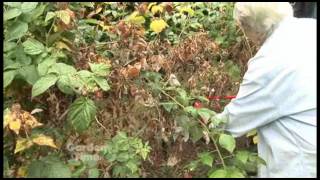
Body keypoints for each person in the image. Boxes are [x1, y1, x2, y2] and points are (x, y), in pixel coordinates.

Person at [210, 2, 316, 178]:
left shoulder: (268, 62)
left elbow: (233, 121)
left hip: (301, 162)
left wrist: (201, 120)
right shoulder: (310, 28)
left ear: (252, 26)